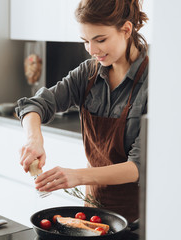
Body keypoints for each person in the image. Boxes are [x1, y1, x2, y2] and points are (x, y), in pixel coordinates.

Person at [16, 0, 148, 223]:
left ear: (126, 30)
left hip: (139, 219)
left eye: (100, 39)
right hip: (93, 210)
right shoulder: (88, 73)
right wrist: (33, 139)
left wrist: (76, 176)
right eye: (86, 41)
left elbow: (138, 166)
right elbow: (35, 104)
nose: (92, 50)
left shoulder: (153, 83)